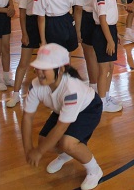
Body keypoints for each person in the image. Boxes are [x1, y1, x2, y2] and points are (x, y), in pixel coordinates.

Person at [21, 43, 103, 190]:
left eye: (45, 69)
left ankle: (94, 170)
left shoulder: (71, 90)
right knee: (44, 141)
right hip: (62, 110)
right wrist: (28, 149)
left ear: (61, 69)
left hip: (88, 109)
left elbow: (61, 127)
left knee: (67, 143)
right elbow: (27, 117)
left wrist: (39, 152)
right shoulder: (35, 86)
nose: (39, 73)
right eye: (38, 67)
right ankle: (68, 154)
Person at [7, 0, 45, 108]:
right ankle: (15, 95)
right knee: (24, 62)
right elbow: (22, 13)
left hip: (44, 23)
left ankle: (47, 93)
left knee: (46, 62)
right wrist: (24, 33)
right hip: (30, 24)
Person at [92, 0, 122, 113]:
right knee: (104, 69)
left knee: (110, 67)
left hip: (110, 31)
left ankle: (106, 96)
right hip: (102, 33)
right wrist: (109, 40)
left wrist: (114, 34)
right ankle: (102, 102)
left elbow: (110, 18)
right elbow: (102, 20)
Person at [71, 0, 98, 91]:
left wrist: (77, 31)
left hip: (87, 20)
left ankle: (93, 87)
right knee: (100, 56)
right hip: (100, 18)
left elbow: (78, 9)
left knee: (89, 55)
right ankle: (102, 87)